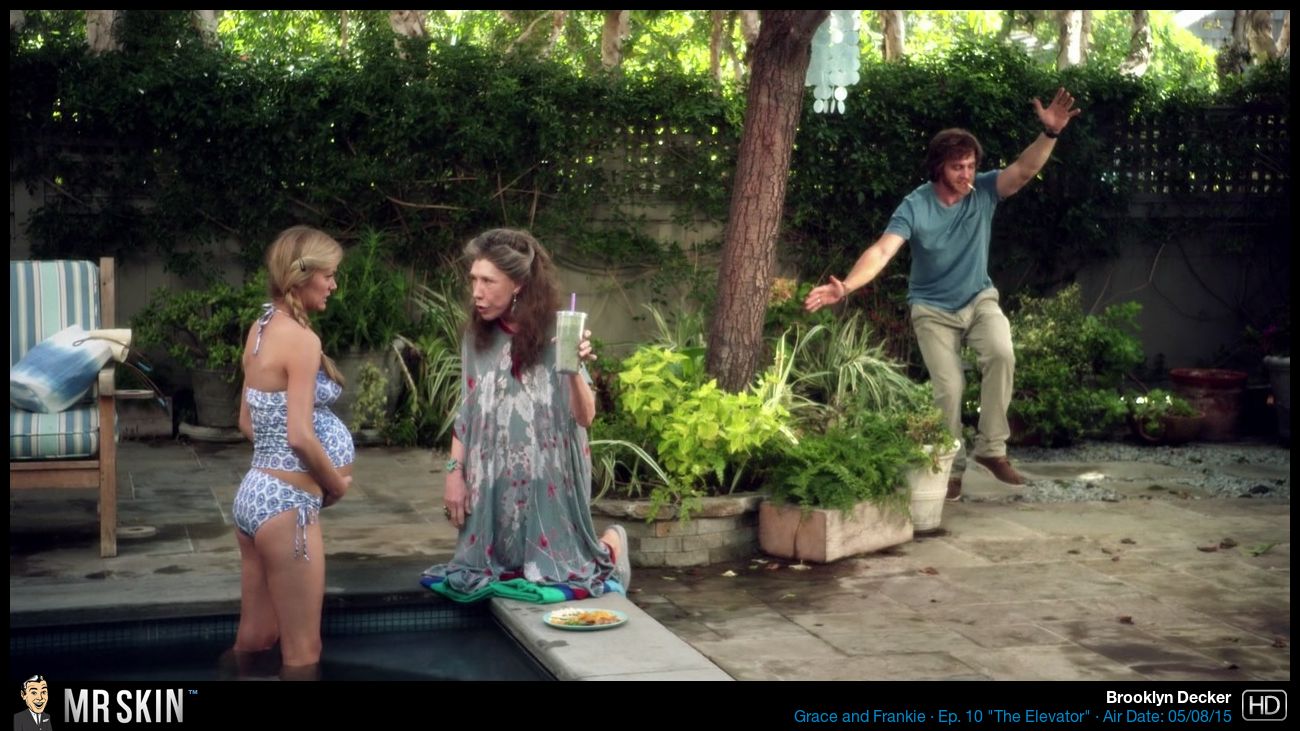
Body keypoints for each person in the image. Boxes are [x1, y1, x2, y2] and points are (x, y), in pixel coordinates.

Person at [805, 88, 1082, 501]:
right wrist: (846, 285)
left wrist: (1050, 133)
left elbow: (1024, 170)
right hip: (932, 309)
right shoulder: (915, 206)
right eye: (957, 167)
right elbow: (882, 251)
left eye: (970, 166)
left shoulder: (984, 191)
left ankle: (991, 449)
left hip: (978, 298)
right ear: (939, 167)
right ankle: (949, 466)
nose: (966, 174)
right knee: (949, 388)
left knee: (1002, 353)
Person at [425, 228, 630, 598]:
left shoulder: (558, 332)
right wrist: (455, 474)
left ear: (518, 284)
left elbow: (585, 418)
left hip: (551, 471)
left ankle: (613, 544)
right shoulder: (476, 336)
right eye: (473, 279)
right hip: (492, 474)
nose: (476, 292)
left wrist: (573, 368)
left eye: (488, 281)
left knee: (560, 571)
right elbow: (467, 410)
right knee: (485, 569)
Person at [229, 225, 355, 679]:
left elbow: (246, 421)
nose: (334, 285)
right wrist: (334, 485)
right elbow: (300, 436)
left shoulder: (260, 328)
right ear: (303, 276)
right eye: (329, 275)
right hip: (288, 509)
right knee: (303, 652)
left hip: (253, 496)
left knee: (255, 638)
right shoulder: (303, 341)